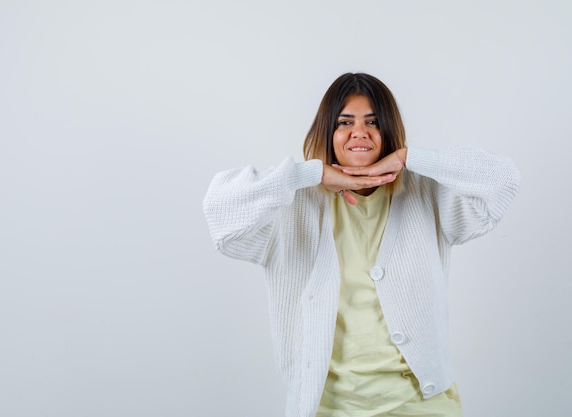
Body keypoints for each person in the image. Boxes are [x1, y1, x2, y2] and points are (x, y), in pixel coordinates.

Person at [203, 73, 521, 417]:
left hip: (421, 405)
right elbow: (221, 211)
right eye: (344, 122)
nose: (360, 132)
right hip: (327, 408)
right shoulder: (292, 206)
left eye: (373, 122)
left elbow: (502, 181)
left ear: (388, 132)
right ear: (328, 132)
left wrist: (409, 159)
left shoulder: (428, 194)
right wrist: (311, 174)